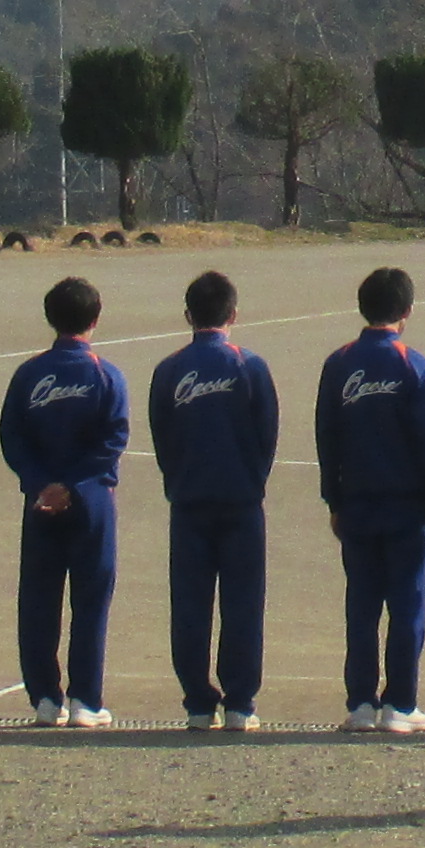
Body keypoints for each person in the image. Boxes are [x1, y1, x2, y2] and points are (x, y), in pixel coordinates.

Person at [316, 265, 425, 731]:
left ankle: (360, 703)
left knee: (362, 605)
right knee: (407, 605)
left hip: (356, 503)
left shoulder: (338, 364)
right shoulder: (414, 365)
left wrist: (333, 499)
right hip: (406, 507)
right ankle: (400, 704)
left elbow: (326, 437)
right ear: (407, 310)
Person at [146, 270, 280, 730]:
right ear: (233, 314)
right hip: (241, 503)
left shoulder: (169, 369)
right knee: (243, 603)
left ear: (188, 315)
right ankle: (240, 702)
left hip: (189, 502)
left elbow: (162, 436)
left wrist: (178, 479)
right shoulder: (250, 366)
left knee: (190, 604)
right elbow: (266, 433)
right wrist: (252, 480)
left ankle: (198, 704)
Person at [1, 279, 132, 727]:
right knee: (90, 600)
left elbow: (12, 437)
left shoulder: (29, 373)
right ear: (95, 318)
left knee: (39, 600)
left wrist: (43, 483)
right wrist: (73, 484)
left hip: (41, 501)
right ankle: (85, 701)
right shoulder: (105, 373)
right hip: (91, 500)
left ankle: (44, 698)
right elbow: (115, 436)